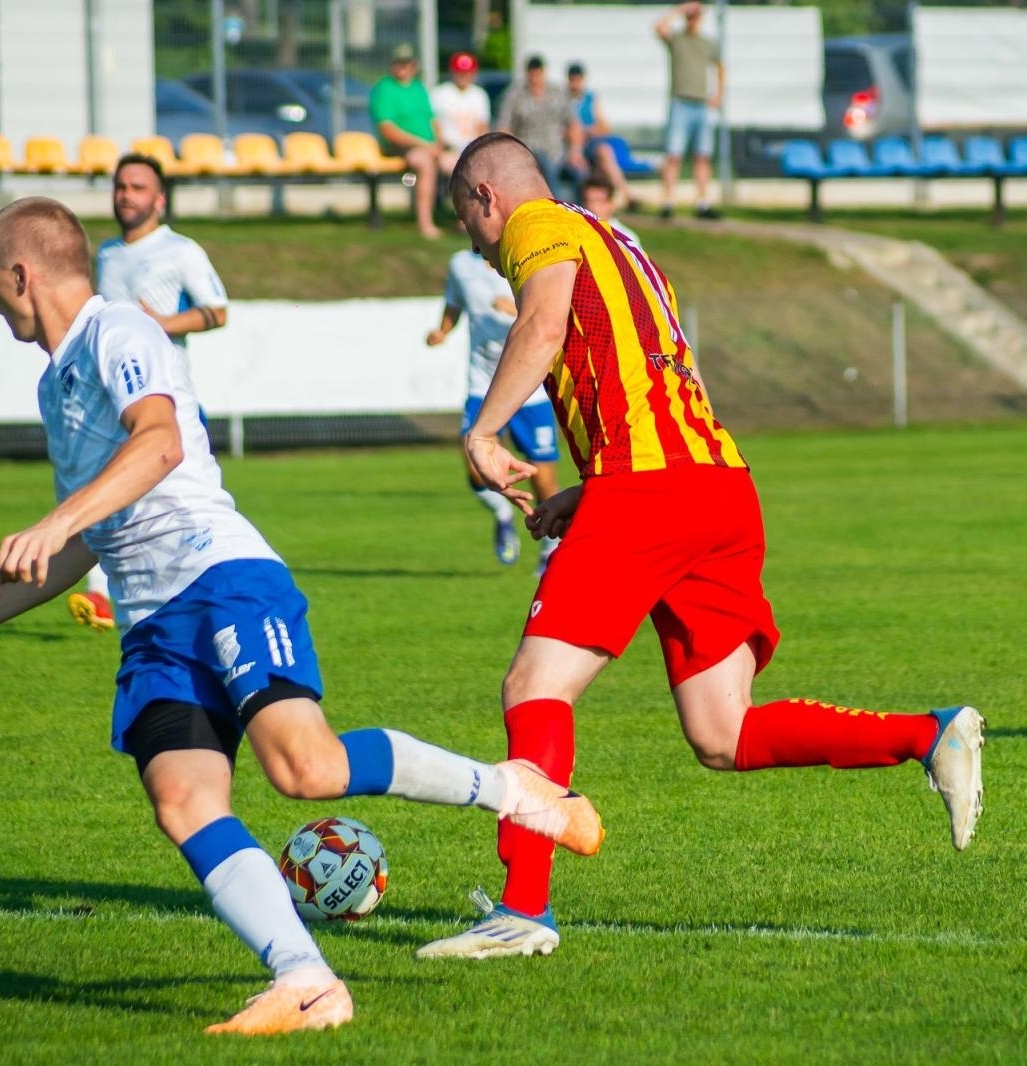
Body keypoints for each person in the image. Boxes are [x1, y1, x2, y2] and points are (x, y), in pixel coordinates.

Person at [0, 196, 603, 1034]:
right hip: (152, 623)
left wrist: (56, 520)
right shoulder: (57, 384)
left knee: (303, 768)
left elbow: (155, 445)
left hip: (222, 577)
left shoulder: (117, 332)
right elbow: (89, 538)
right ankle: (306, 981)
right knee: (183, 800)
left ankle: (509, 788)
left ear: (22, 273)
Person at [416, 134, 985, 960]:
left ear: (484, 199)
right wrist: (592, 487)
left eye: (465, 219)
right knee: (724, 733)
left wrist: (484, 429)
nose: (471, 239)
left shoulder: (538, 226)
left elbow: (541, 326)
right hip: (717, 484)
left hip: (653, 490)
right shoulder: (626, 244)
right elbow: (664, 370)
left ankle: (523, 909)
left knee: (533, 686)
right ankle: (929, 736)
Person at [67, 153, 232, 632]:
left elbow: (217, 311)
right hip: (111, 401)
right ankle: (103, 598)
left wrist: (161, 325)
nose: (126, 195)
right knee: (108, 492)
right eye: (121, 186)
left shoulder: (180, 250)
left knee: (182, 503)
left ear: (159, 199)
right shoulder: (107, 254)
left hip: (167, 399)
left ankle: (202, 587)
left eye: (138, 187)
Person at [426, 246, 562, 571]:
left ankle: (550, 548)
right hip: (482, 385)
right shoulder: (460, 263)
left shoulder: (527, 256)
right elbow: (454, 302)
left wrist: (516, 309)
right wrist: (443, 330)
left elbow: (553, 314)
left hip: (530, 387)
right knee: (475, 465)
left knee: (543, 480)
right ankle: (501, 513)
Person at [654, 3, 724, 220]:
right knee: (673, 154)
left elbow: (720, 67)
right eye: (690, 16)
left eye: (695, 16)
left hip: (701, 104)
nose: (692, 19)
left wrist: (718, 94)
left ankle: (703, 202)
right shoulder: (677, 40)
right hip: (680, 102)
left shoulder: (707, 43)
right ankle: (668, 201)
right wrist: (681, 9)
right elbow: (659, 27)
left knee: (702, 156)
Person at [371, 43, 443, 239]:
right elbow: (387, 129)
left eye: (407, 63)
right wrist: (422, 144)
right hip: (400, 148)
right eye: (399, 63)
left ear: (414, 65)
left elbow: (432, 120)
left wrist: (438, 143)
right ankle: (425, 223)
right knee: (425, 164)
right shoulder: (384, 88)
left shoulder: (418, 88)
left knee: (459, 163)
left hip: (429, 146)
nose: (403, 67)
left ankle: (465, 221)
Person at [494, 55, 583, 198]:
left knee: (581, 173)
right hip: (530, 151)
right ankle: (557, 207)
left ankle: (584, 214)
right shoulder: (514, 95)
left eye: (538, 73)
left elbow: (573, 124)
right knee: (545, 163)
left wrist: (575, 151)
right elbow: (504, 126)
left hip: (559, 151)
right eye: (532, 74)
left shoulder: (557, 93)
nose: (535, 78)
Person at [564, 62, 631, 210]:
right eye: (573, 80)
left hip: (590, 142)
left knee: (605, 153)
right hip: (570, 145)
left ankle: (623, 193)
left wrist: (589, 130)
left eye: (578, 80)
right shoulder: (562, 99)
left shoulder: (590, 99)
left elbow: (605, 126)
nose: (575, 84)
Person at [431, 52, 491, 176]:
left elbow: (483, 126)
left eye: (467, 72)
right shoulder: (441, 93)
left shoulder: (479, 94)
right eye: (460, 72)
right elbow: (433, 122)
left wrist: (479, 148)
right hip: (448, 149)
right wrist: (440, 146)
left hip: (472, 148)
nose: (463, 76)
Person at [579, 176, 640, 246]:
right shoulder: (574, 232)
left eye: (598, 200)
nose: (591, 207)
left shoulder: (628, 238)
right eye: (587, 200)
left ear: (611, 204)